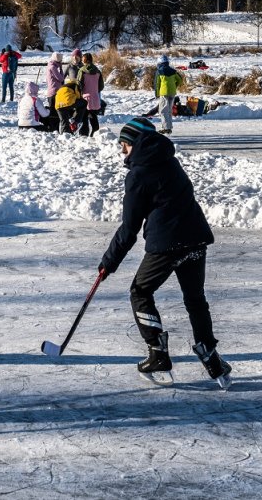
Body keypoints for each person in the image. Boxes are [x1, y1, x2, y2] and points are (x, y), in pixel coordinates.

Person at [97, 117, 229, 386]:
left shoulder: (138, 174)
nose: (121, 150)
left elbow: (129, 228)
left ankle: (157, 352)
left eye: (124, 144)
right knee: (195, 299)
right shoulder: (169, 161)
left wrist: (109, 262)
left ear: (136, 143)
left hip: (167, 244)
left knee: (140, 292)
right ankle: (209, 354)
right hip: (195, 238)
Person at [153, 55, 183, 135]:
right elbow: (180, 80)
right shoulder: (173, 71)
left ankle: (166, 128)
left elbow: (157, 84)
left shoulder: (159, 71)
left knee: (163, 111)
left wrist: (157, 94)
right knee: (169, 111)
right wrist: (174, 86)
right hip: (172, 93)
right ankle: (169, 127)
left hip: (164, 93)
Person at [78, 53, 105, 136]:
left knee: (84, 118)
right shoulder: (98, 71)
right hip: (95, 97)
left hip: (85, 98)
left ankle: (84, 136)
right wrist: (94, 91)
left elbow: (79, 85)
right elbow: (101, 86)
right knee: (93, 116)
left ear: (84, 60)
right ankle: (95, 133)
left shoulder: (82, 70)